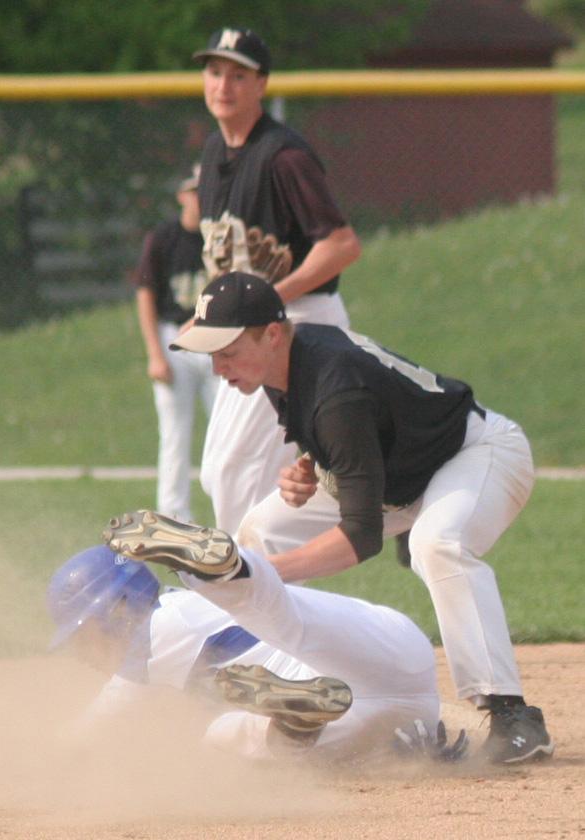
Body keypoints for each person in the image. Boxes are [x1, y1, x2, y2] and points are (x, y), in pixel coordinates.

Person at [170, 270, 555, 765]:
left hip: (476, 456)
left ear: (270, 333)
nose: (219, 368)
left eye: (227, 351)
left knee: (439, 544)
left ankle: (513, 716)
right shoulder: (282, 363)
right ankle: (287, 675)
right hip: (407, 473)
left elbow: (359, 536)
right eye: (212, 356)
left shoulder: (335, 388)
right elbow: (364, 426)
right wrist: (311, 467)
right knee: (264, 530)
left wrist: (260, 576)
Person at [46, 517, 468, 765]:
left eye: (85, 634)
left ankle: (294, 724)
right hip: (397, 672)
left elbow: (81, 740)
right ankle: (224, 569)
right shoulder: (183, 613)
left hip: (354, 698)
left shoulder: (152, 638)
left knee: (221, 739)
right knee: (287, 617)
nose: (82, 653)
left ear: (119, 611)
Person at [190, 27, 361, 534]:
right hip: (249, 329)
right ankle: (269, 593)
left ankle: (251, 596)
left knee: (234, 475)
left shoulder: (284, 156)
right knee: (220, 474)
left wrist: (264, 301)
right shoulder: (212, 157)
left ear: (262, 84)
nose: (224, 85)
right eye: (215, 71)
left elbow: (341, 245)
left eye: (238, 74)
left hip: (295, 323)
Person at [133, 165, 218, 522]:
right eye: (195, 189)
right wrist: (154, 353)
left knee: (225, 432)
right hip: (175, 339)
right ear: (182, 194)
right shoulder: (164, 237)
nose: (201, 196)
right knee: (174, 434)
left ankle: (229, 514)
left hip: (217, 339)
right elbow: (145, 293)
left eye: (207, 189)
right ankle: (174, 519)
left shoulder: (221, 237)